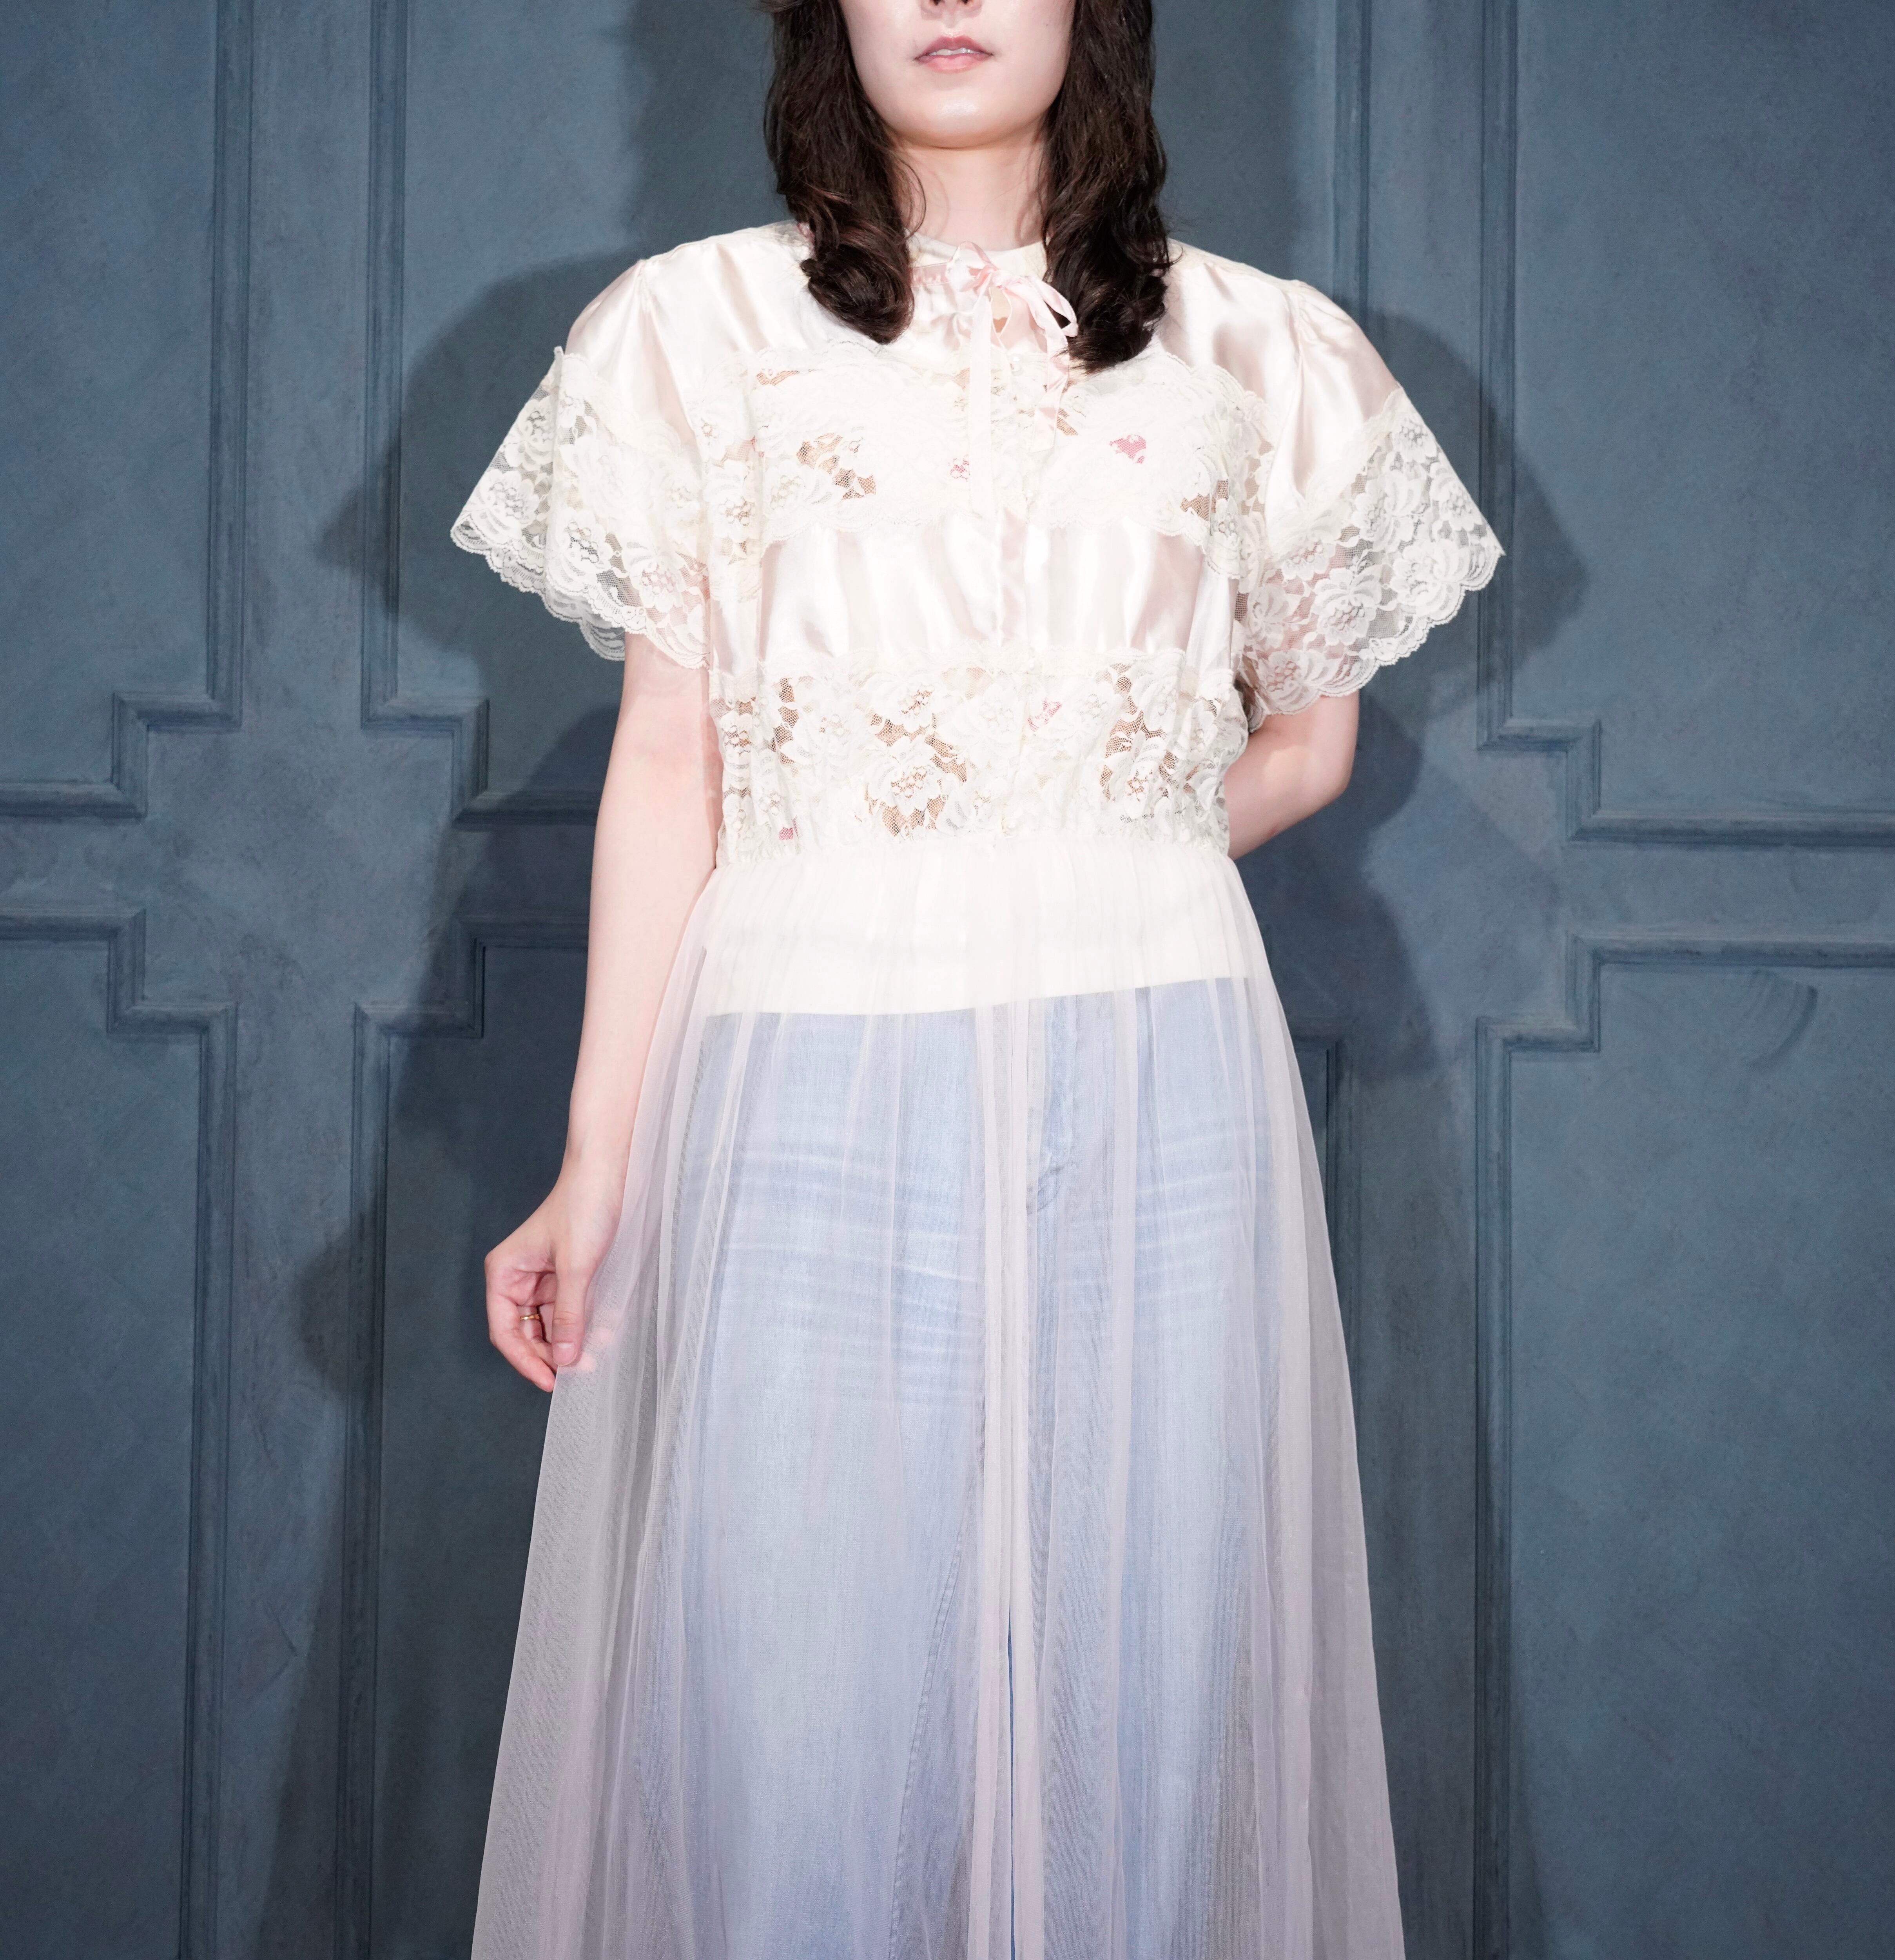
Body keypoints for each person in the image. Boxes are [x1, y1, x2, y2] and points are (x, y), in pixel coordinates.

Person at [450, 2, 1500, 1954]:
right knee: (787, 1703)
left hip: (1152, 1080)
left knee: (1148, 1696)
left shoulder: (1259, 350)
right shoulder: (693, 332)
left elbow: (1308, 741)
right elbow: (670, 762)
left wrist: (1079, 843)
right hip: (802, 1068)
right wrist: (596, 1161)